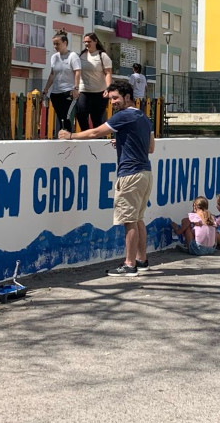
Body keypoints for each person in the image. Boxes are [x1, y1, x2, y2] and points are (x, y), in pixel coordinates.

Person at [60, 82, 153, 277]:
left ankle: (129, 265)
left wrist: (70, 135)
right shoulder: (143, 116)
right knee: (138, 219)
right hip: (145, 173)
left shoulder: (124, 115)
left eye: (115, 98)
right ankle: (141, 260)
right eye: (111, 99)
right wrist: (122, 141)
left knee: (129, 221)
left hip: (129, 174)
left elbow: (95, 132)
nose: (113, 103)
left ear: (127, 97)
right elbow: (150, 147)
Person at [41, 32, 81, 135]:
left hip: (68, 91)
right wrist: (46, 89)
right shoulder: (54, 57)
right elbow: (52, 74)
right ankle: (63, 134)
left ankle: (68, 134)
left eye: (57, 44)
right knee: (60, 116)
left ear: (65, 43)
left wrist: (76, 88)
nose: (55, 46)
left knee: (66, 115)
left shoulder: (73, 56)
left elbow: (77, 72)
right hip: (56, 92)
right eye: (54, 44)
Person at [75, 33, 113, 131]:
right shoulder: (81, 56)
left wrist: (108, 89)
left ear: (95, 41)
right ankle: (86, 135)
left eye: (89, 42)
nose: (87, 44)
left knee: (96, 118)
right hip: (84, 90)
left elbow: (108, 73)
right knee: (80, 114)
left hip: (99, 92)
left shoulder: (102, 56)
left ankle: (97, 140)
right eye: (85, 42)